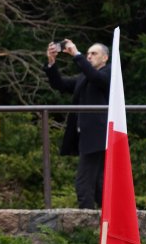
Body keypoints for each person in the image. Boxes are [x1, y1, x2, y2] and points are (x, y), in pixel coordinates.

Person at [45, 39, 110, 209]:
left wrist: (76, 54)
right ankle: (103, 221)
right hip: (86, 136)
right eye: (87, 54)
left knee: (84, 182)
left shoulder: (110, 73)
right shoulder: (84, 77)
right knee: (97, 183)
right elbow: (60, 84)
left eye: (93, 54)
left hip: (99, 136)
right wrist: (52, 62)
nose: (89, 57)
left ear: (105, 58)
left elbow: (97, 78)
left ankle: (86, 222)